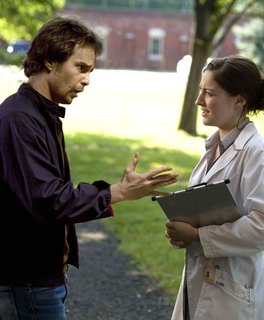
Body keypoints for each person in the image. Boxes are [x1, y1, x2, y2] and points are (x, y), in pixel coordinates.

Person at [0, 15, 178, 320]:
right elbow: (49, 199)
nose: (87, 79)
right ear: (50, 61)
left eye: (90, 70)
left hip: (40, 280)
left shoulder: (41, 114)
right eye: (80, 67)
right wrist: (116, 192)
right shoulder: (19, 119)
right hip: (27, 283)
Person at [165, 55, 264, 320]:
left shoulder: (258, 154)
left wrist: (197, 235)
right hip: (204, 278)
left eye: (209, 94)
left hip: (234, 288)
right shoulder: (214, 146)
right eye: (200, 92)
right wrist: (183, 230)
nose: (199, 102)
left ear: (239, 100)